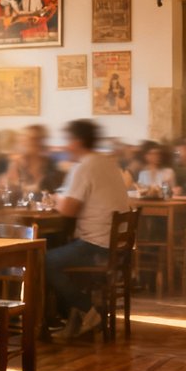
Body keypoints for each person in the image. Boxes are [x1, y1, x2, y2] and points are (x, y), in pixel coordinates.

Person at [46, 119, 135, 338]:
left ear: (77, 142)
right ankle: (74, 318)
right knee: (55, 253)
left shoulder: (84, 166)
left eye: (68, 141)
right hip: (116, 247)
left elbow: (68, 209)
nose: (66, 146)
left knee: (42, 261)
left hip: (97, 248)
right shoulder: (107, 163)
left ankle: (87, 310)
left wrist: (55, 198)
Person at [0, 123, 63, 195]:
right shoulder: (16, 164)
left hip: (45, 201)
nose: (31, 143)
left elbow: (53, 189)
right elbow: (10, 189)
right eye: (27, 139)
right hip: (22, 201)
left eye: (36, 139)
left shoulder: (51, 164)